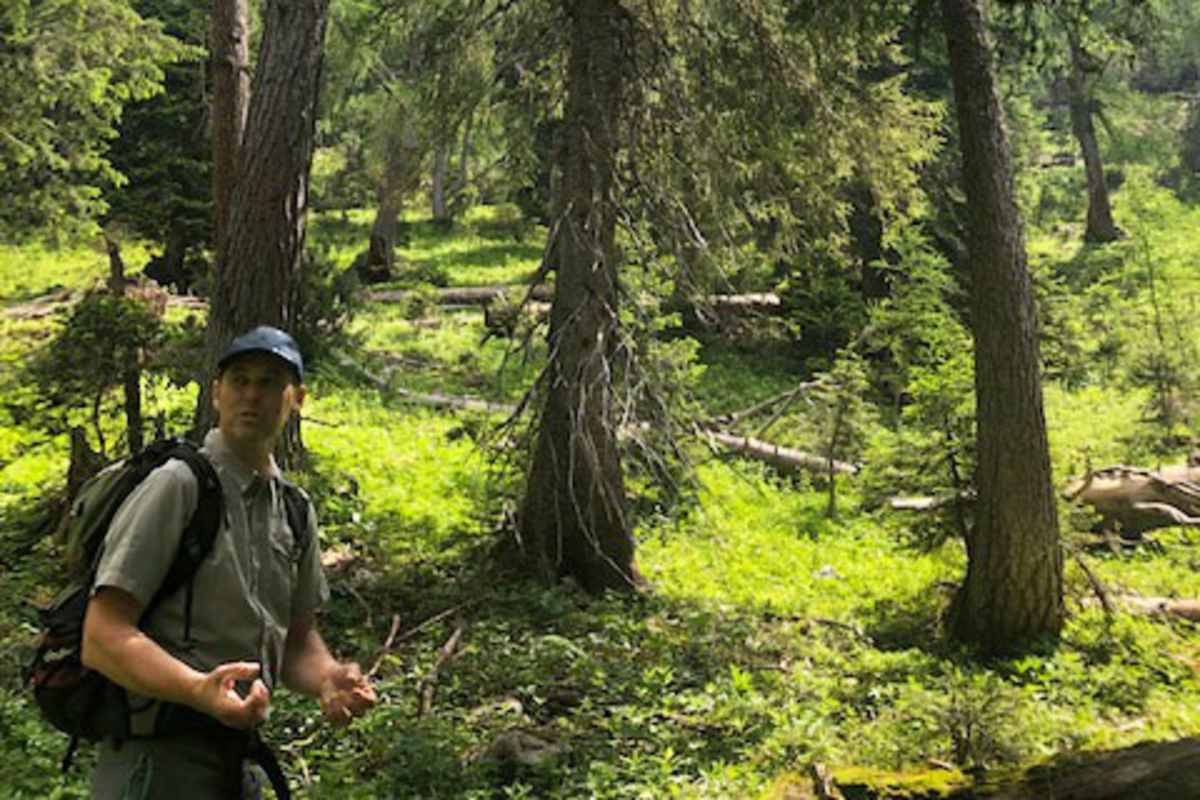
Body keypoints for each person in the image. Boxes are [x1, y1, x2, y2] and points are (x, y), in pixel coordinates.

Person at [81, 325, 377, 799]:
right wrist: (198, 689)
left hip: (235, 761)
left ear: (296, 399)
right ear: (216, 392)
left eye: (269, 383)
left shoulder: (295, 509)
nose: (252, 395)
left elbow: (297, 639)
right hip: (157, 763)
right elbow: (102, 636)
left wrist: (328, 677)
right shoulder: (178, 485)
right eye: (239, 380)